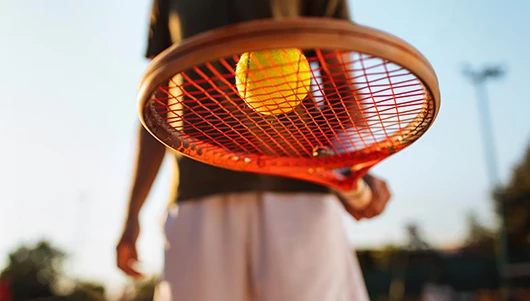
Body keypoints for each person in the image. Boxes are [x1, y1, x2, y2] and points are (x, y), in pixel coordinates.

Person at [116, 0, 392, 300]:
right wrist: (132, 214)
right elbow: (156, 104)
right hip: (197, 195)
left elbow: (342, 88)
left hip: (302, 192)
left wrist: (349, 166)